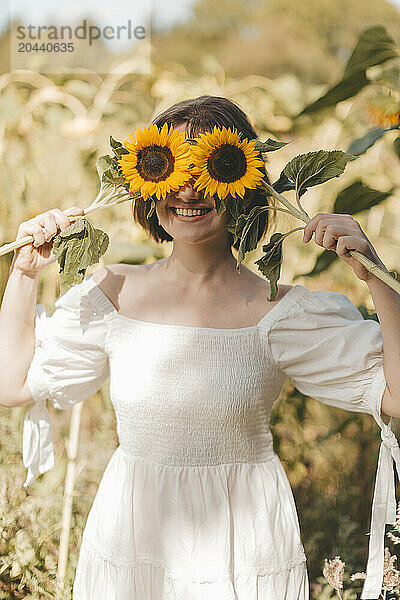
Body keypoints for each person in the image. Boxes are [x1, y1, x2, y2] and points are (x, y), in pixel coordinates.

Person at [1, 95, 400, 600]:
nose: (188, 187)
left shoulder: (278, 311)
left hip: (242, 548)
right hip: (134, 541)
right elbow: (12, 383)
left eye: (210, 166)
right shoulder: (112, 295)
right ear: (146, 182)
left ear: (244, 182)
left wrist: (375, 274)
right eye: (170, 165)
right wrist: (25, 272)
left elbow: (396, 395)